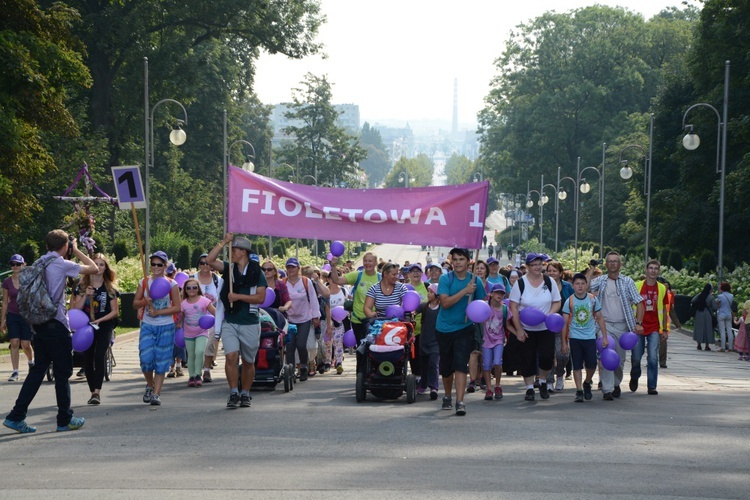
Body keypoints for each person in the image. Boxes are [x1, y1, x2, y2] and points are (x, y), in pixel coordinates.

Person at [4, 230, 98, 433]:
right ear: (65, 247)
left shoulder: (39, 262)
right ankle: (64, 419)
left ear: (47, 246)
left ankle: (16, 415)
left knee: (38, 370)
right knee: (63, 373)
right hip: (56, 324)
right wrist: (77, 250)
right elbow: (92, 268)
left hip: (38, 324)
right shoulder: (62, 264)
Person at [206, 234, 267, 408]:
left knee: (248, 361)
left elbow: (260, 297)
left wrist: (238, 296)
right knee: (231, 356)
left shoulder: (257, 272)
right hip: (231, 321)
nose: (231, 252)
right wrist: (224, 242)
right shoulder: (228, 268)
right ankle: (233, 392)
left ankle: (245, 393)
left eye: (234, 249)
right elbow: (210, 260)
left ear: (243, 251)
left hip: (250, 322)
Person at [436, 247, 487, 416]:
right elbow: (445, 303)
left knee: (460, 364)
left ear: (468, 262)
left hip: (465, 328)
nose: (458, 263)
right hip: (444, 328)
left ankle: (460, 401)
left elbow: (481, 305)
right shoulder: (446, 279)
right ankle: (447, 396)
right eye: (455, 259)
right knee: (446, 367)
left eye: (461, 259)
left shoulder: (476, 281)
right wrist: (465, 291)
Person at [588, 252, 644, 401]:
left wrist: (638, 323)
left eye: (615, 261)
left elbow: (639, 302)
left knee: (619, 359)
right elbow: (585, 286)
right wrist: (592, 268)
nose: (612, 264)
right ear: (606, 265)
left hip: (622, 326)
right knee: (607, 354)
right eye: (610, 262)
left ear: (620, 264)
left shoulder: (627, 281)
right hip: (604, 325)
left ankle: (616, 383)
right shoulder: (600, 280)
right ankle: (607, 389)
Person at [508, 252, 561, 401]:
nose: (538, 267)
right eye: (534, 264)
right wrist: (518, 329)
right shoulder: (521, 283)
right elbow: (513, 307)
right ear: (528, 267)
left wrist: (550, 314)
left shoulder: (549, 282)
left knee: (547, 357)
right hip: (526, 328)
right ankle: (529, 388)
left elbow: (557, 301)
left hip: (545, 327)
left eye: (540, 264)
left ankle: (543, 381)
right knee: (527, 359)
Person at [133, 251, 182, 406]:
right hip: (148, 325)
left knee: (161, 361)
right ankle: (149, 384)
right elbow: (134, 303)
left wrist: (159, 312)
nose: (156, 267)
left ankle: (156, 394)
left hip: (166, 326)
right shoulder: (144, 282)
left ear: (165, 266)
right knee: (146, 359)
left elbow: (177, 307)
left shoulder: (171, 284)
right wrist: (143, 302)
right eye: (153, 264)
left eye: (159, 264)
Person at [70, 253, 119, 405]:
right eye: (95, 264)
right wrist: (85, 295)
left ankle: (97, 391)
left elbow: (114, 311)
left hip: (104, 324)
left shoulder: (110, 288)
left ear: (106, 268)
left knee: (99, 355)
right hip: (85, 326)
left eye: (101, 264)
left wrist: (100, 319)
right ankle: (92, 392)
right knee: (88, 358)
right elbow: (74, 309)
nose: (98, 267)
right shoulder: (81, 287)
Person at [561, 273, 608, 402]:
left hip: (590, 337)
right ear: (573, 286)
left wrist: (604, 336)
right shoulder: (569, 301)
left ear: (586, 285)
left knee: (592, 364)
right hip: (575, 337)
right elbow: (564, 323)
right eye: (577, 284)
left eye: (582, 283)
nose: (580, 286)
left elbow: (600, 318)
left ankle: (587, 382)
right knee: (577, 365)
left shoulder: (593, 299)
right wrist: (564, 342)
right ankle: (579, 390)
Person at [630, 260, 668, 396]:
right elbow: (630, 305)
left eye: (656, 268)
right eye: (650, 268)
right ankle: (635, 375)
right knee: (636, 357)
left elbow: (664, 310)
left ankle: (652, 386)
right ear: (646, 270)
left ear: (659, 271)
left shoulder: (662, 288)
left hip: (654, 327)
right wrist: (632, 324)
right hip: (639, 327)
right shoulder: (637, 286)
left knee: (653, 357)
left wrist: (665, 329)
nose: (653, 271)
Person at [283, 258, 320, 381]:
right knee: (290, 346)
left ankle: (303, 367)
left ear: (298, 268)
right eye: (288, 267)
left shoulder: (305, 281)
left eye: (293, 267)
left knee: (301, 344)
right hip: (289, 319)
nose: (291, 270)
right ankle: (290, 371)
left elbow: (313, 299)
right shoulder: (283, 283)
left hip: (304, 319)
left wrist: (316, 317)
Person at [2, 254, 34, 382]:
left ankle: (31, 362)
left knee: (25, 344)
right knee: (14, 342)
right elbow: (5, 302)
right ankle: (15, 371)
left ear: (23, 265)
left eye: (17, 264)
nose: (15, 267)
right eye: (12, 264)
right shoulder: (7, 282)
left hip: (26, 315)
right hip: (13, 315)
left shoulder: (29, 280)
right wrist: (2, 320)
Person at [179, 278, 216, 387]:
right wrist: (177, 324)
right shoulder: (183, 304)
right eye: (188, 288)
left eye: (194, 287)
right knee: (191, 355)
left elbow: (214, 312)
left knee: (199, 352)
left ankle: (198, 375)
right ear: (185, 290)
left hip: (202, 332)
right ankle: (191, 376)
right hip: (188, 333)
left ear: (198, 288)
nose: (191, 290)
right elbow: (181, 318)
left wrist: (221, 319)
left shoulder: (204, 300)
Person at [193, 253, 224, 383]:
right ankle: (196, 370)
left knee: (209, 343)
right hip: (194, 317)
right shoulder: (193, 278)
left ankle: (206, 370)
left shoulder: (218, 280)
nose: (205, 265)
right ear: (198, 265)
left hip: (212, 316)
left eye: (207, 262)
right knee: (196, 346)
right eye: (202, 263)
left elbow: (222, 298)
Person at [482, 283, 514, 401]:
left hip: (499, 340)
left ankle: (497, 385)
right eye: (497, 292)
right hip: (486, 340)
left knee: (497, 362)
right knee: (486, 364)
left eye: (502, 293)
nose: (499, 295)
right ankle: (489, 389)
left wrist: (518, 333)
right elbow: (477, 318)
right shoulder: (484, 306)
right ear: (491, 293)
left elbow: (508, 325)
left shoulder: (505, 309)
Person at [545, 260, 573, 392]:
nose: (551, 273)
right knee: (548, 353)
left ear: (560, 273)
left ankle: (560, 374)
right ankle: (549, 380)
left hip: (564, 325)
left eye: (554, 271)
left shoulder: (568, 287)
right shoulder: (543, 285)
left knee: (563, 354)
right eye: (549, 271)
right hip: (546, 324)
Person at [416, 284, 441, 399]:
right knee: (424, 365)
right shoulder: (424, 306)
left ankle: (434, 387)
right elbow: (414, 310)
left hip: (436, 342)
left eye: (431, 292)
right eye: (428, 292)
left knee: (433, 364)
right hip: (424, 340)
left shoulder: (442, 308)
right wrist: (411, 313)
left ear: (437, 294)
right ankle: (423, 384)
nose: (428, 294)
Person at [326, 269, 347, 374]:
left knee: (338, 342)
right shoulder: (324, 291)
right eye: (332, 278)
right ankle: (327, 362)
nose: (334, 281)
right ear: (328, 279)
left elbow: (348, 304)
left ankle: (339, 363)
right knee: (327, 342)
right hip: (326, 320)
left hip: (339, 320)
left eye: (337, 278)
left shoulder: (343, 291)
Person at [692, 284, 716, 351]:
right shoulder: (711, 297)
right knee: (707, 329)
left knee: (699, 328)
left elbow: (693, 300)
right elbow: (714, 307)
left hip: (699, 313)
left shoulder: (700, 295)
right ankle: (707, 346)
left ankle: (699, 345)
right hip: (707, 314)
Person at [716, 282, 735, 352]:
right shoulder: (731, 296)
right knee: (729, 330)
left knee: (722, 330)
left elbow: (718, 305)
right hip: (729, 314)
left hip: (721, 314)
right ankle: (731, 347)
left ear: (722, 288)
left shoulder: (720, 296)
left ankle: (723, 347)